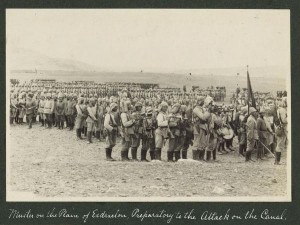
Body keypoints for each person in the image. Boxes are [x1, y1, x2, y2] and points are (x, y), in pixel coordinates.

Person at [192, 96, 209, 161]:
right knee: (197, 142)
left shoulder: (202, 109)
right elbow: (203, 117)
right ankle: (195, 158)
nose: (203, 102)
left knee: (203, 143)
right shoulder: (196, 109)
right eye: (202, 101)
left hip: (203, 126)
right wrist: (208, 112)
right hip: (197, 127)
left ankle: (201, 157)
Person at [275, 97, 288, 165]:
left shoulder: (280, 109)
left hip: (281, 128)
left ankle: (277, 161)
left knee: (279, 145)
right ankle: (277, 161)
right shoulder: (282, 110)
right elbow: (284, 120)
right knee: (280, 145)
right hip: (283, 128)